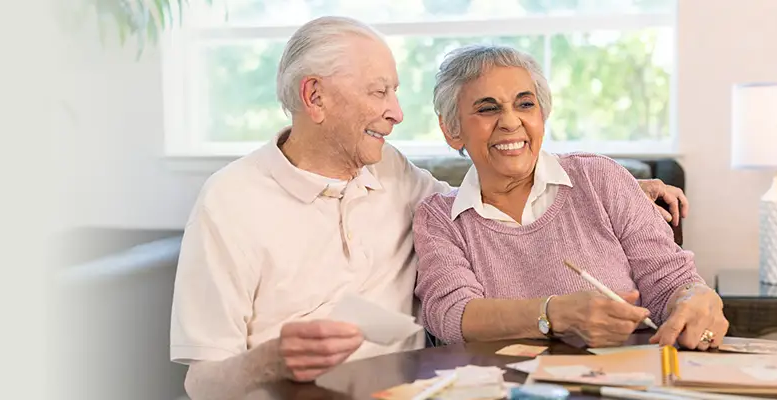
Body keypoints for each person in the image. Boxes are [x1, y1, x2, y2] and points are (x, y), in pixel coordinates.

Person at [168, 16, 689, 399]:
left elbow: (486, 199)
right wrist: (268, 361)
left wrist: (617, 190)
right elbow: (201, 381)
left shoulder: (393, 173)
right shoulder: (230, 201)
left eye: (394, 91)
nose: (396, 112)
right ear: (315, 97)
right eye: (379, 92)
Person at [411, 44, 725, 351]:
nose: (509, 121)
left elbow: (670, 282)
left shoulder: (598, 177)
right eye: (488, 109)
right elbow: (452, 316)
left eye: (525, 104)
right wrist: (553, 314)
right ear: (452, 129)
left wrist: (694, 297)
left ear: (542, 116)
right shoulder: (439, 218)